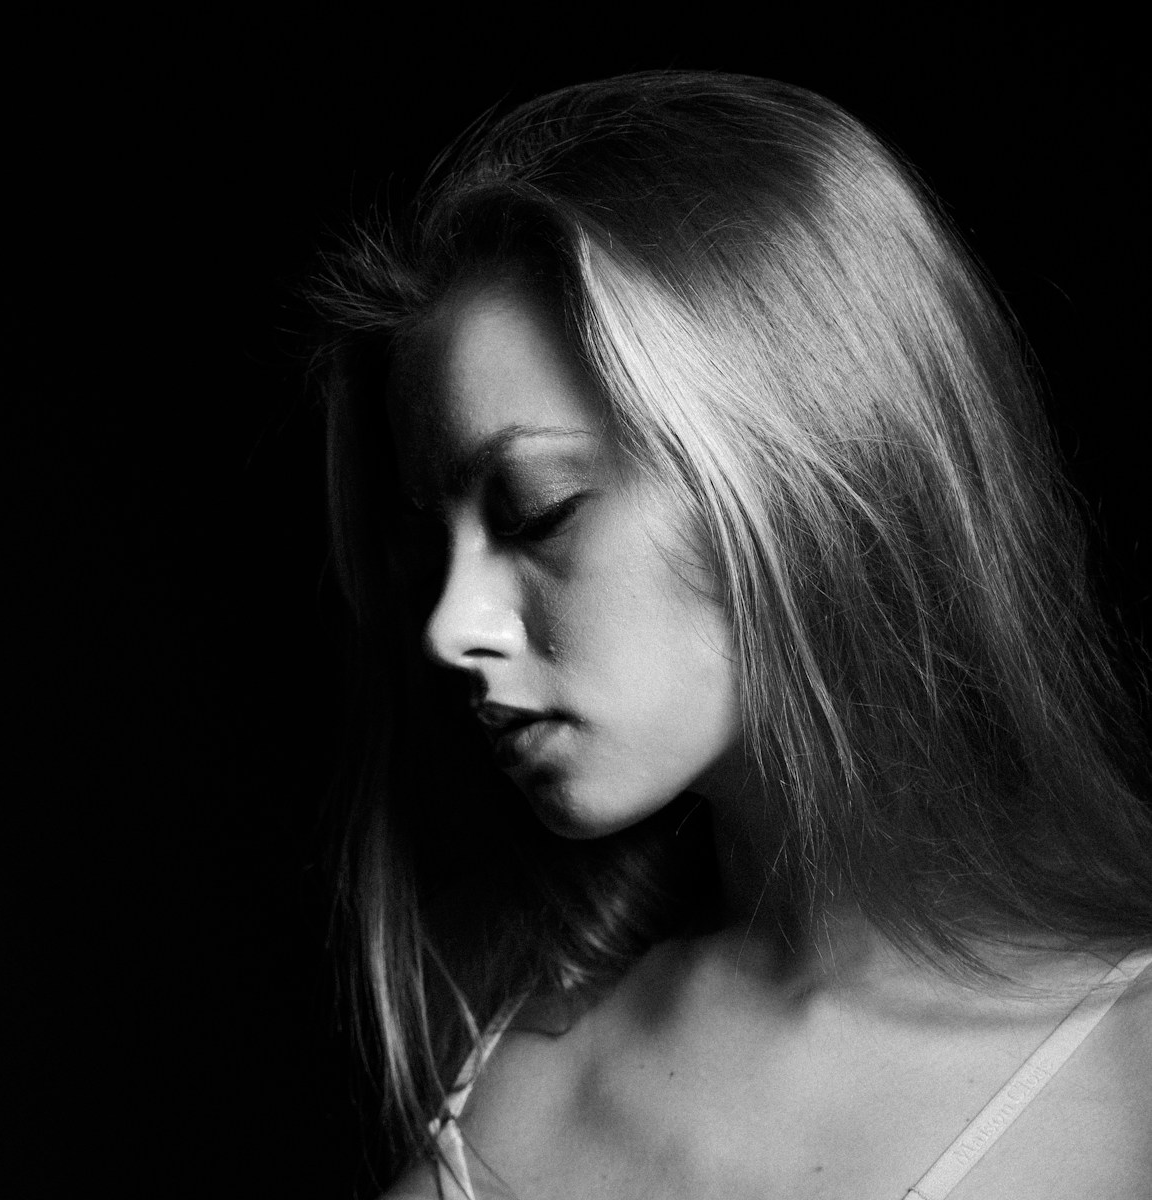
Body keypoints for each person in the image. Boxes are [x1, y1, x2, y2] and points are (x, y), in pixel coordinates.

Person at [310, 71, 1152, 1199]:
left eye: (533, 512)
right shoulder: (519, 1081)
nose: (452, 626)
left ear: (798, 470)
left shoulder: (1124, 1078)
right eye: (434, 553)